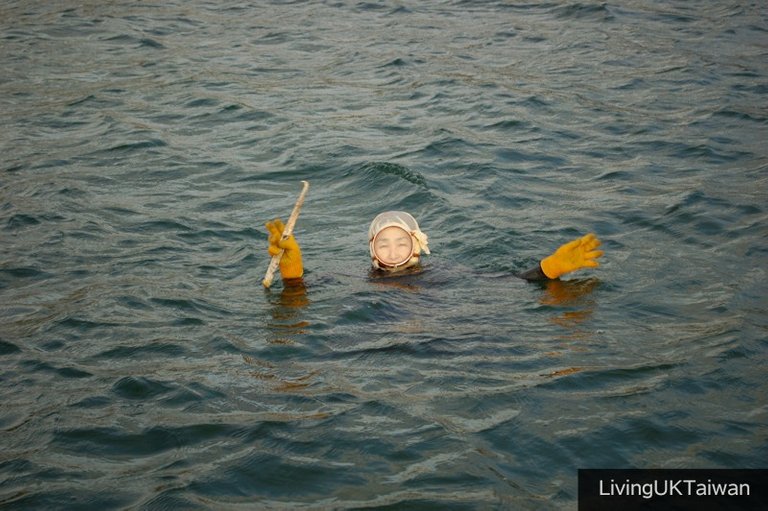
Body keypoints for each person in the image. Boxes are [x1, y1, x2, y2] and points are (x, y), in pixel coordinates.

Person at [265, 211, 603, 284]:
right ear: (372, 250)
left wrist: (549, 268)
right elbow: (301, 293)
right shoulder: (357, 278)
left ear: (417, 246)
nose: (394, 250)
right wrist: (291, 270)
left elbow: (505, 282)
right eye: (385, 244)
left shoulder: (443, 271)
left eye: (402, 242)